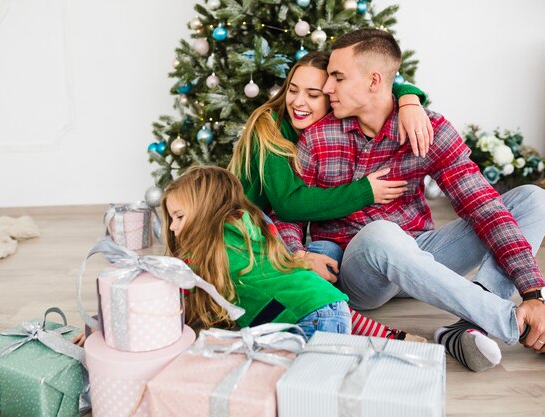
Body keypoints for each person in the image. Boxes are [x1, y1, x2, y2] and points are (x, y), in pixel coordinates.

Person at [272, 28, 545, 372]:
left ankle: (468, 327)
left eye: (337, 78)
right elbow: (290, 213)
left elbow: (483, 206)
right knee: (382, 233)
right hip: (362, 270)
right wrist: (298, 254)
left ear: (374, 81)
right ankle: (508, 321)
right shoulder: (318, 137)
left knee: (534, 199)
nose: (328, 89)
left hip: (423, 253)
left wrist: (533, 293)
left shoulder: (428, 129)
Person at [229, 51, 433, 282]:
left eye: (313, 94)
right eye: (293, 90)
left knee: (325, 254)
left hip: (273, 235)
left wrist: (409, 99)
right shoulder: (268, 127)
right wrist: (364, 191)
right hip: (241, 229)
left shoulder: (328, 128)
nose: (297, 102)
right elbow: (287, 204)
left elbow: (375, 91)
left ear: (333, 94)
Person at [162, 165, 426, 341]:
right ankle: (392, 339)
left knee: (302, 387)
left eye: (179, 217)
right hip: (324, 305)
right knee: (319, 305)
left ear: (206, 209)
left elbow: (186, 285)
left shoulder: (223, 240)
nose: (173, 228)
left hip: (309, 318)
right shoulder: (252, 225)